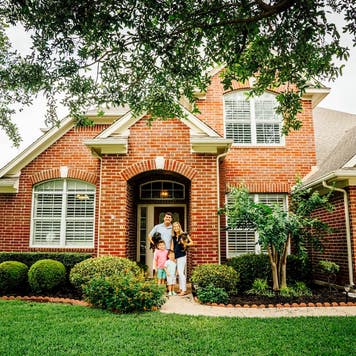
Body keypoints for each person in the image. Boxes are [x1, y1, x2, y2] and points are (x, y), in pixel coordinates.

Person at [172, 221, 193, 296]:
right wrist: (173, 256)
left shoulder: (184, 235)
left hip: (182, 255)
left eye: (177, 226)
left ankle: (184, 290)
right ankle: (181, 288)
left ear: (179, 226)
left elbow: (191, 242)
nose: (176, 228)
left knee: (181, 273)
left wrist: (185, 244)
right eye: (174, 227)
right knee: (178, 273)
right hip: (176, 256)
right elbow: (174, 247)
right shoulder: (174, 237)